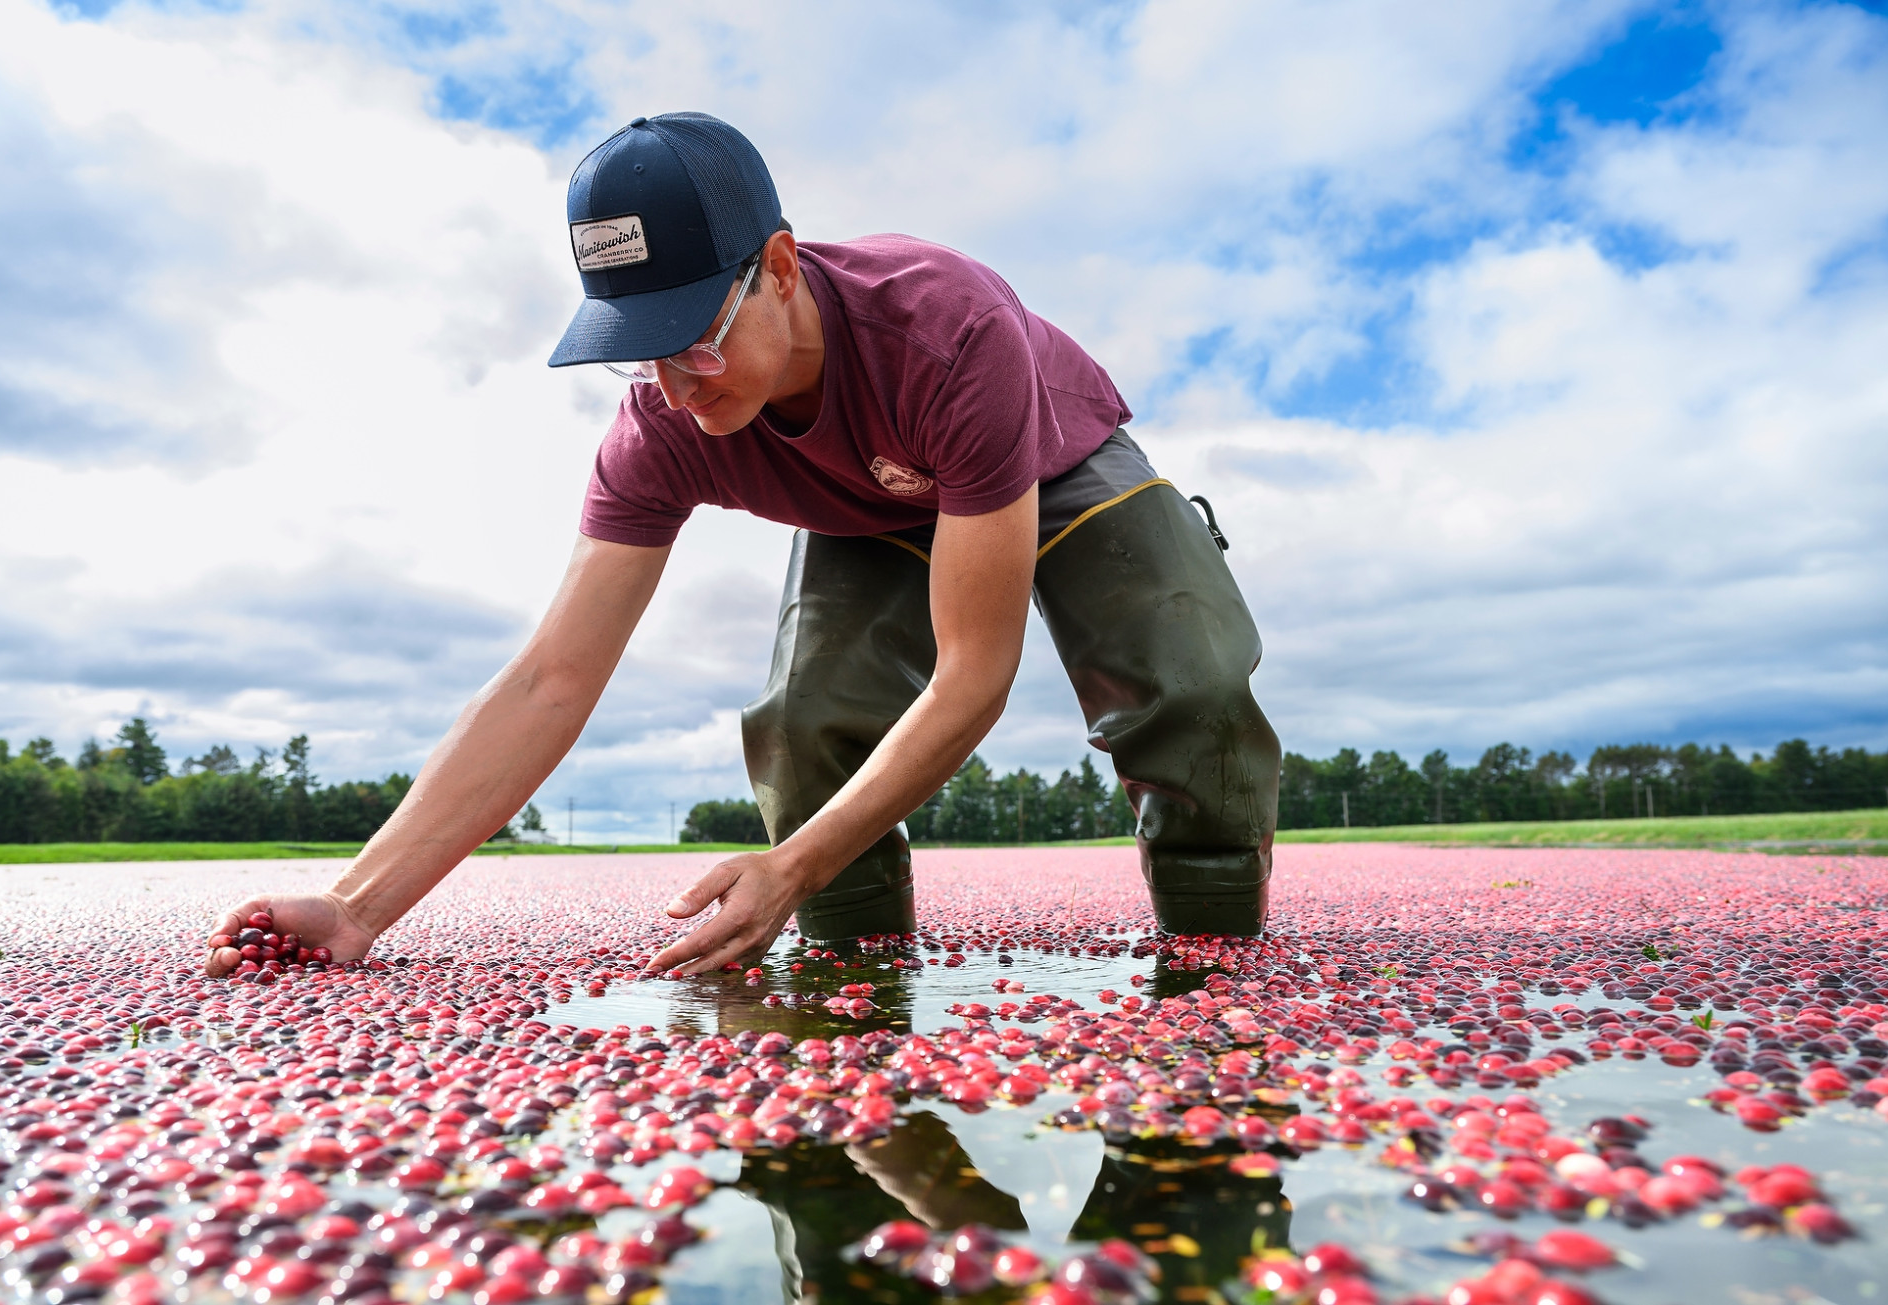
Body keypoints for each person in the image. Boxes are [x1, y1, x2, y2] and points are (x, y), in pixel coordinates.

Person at [204, 111, 1280, 979]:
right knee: (805, 721)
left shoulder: (946, 329)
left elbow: (971, 677)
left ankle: (1213, 964)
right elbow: (548, 679)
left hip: (1048, 458)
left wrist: (788, 866)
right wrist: (356, 907)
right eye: (637, 355)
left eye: (695, 342)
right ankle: (857, 975)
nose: (674, 388)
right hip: (871, 506)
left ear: (776, 266)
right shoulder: (660, 430)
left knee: (1186, 685)